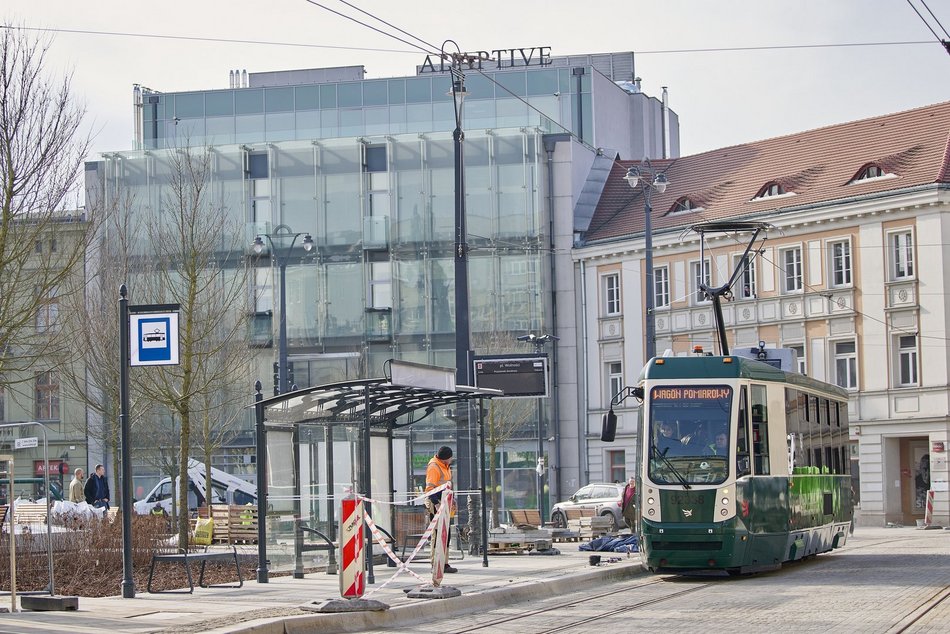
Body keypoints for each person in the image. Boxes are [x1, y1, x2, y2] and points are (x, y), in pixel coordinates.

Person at [424, 446, 457, 574]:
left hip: (444, 501)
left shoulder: (445, 466)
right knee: (437, 534)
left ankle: (444, 563)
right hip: (436, 502)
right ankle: (435, 563)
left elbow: (447, 485)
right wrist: (436, 504)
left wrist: (452, 499)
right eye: (450, 457)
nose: (451, 459)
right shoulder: (434, 467)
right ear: (446, 458)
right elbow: (430, 489)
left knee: (446, 533)